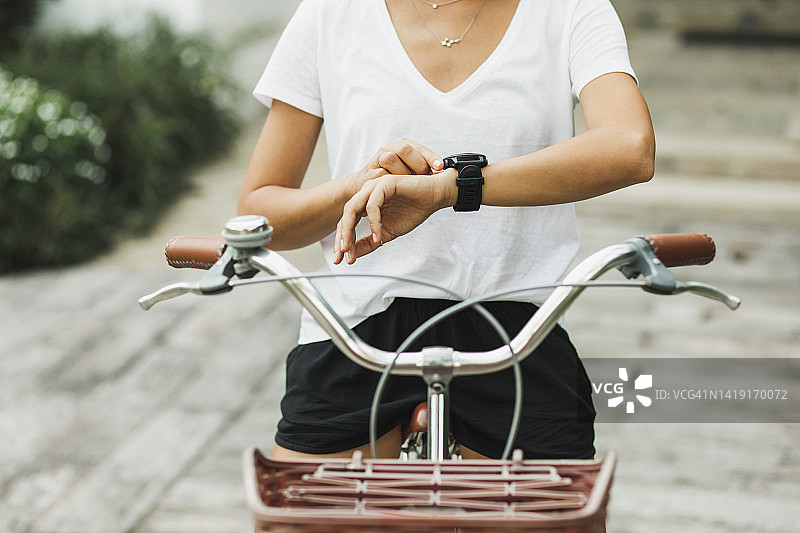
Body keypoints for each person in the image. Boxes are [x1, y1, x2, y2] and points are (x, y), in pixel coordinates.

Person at [238, 0, 655, 460]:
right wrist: (361, 186)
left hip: (516, 327)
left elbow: (630, 146)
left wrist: (451, 188)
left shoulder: (569, 8)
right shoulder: (331, 13)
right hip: (355, 326)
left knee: (560, 502)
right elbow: (260, 212)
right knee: (300, 503)